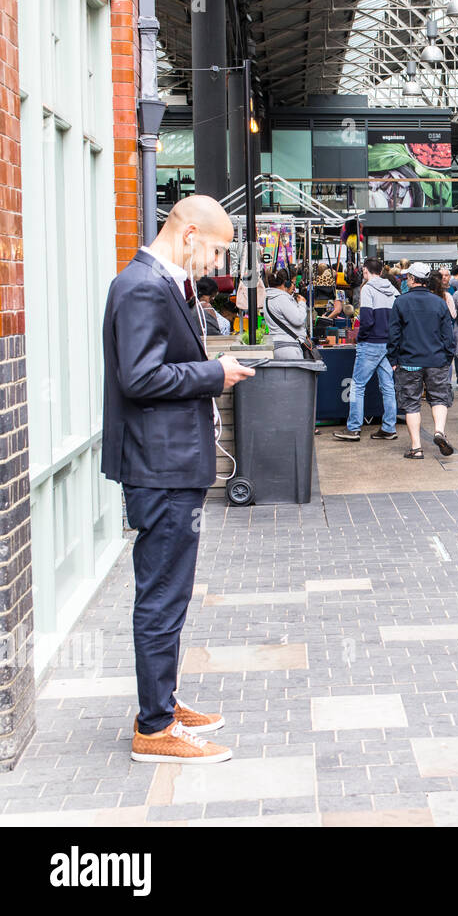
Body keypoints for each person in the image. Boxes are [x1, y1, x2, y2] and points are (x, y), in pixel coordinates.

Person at [102, 195, 256, 764]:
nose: (216, 262)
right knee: (163, 594)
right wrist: (215, 372)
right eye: (215, 249)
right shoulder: (142, 286)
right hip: (159, 466)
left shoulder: (160, 283)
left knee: (169, 591)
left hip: (166, 463)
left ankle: (161, 702)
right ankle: (154, 727)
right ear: (189, 234)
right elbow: (140, 376)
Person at [387, 262, 457, 460]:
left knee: (411, 404)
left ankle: (416, 447)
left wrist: (393, 358)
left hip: (408, 360)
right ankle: (439, 432)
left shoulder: (401, 302)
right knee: (439, 398)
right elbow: (448, 336)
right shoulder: (439, 302)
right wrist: (447, 357)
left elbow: (393, 334)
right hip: (436, 360)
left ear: (411, 279)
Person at [334, 256, 398, 441]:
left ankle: (353, 428)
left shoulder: (368, 289)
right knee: (387, 387)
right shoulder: (392, 289)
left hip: (370, 342)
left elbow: (367, 319)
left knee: (357, 385)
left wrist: (360, 338)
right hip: (388, 343)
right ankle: (389, 428)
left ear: (366, 271)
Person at [264, 268, 309, 360]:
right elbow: (298, 319)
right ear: (286, 283)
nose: (294, 287)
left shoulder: (268, 298)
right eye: (293, 283)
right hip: (289, 348)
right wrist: (302, 303)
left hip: (278, 345)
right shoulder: (281, 298)